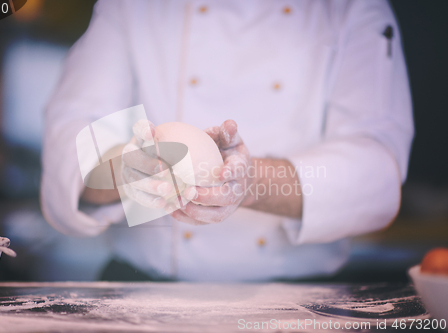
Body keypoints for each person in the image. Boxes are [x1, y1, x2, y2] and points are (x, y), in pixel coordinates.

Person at [41, 0, 413, 281]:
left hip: (298, 302)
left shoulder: (351, 7)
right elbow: (72, 145)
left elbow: (377, 170)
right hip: (142, 287)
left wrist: (249, 183)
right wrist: (130, 171)